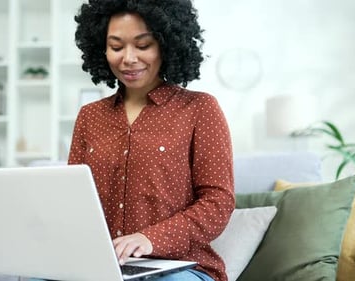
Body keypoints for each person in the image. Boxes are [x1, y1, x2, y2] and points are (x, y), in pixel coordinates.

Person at [68, 0, 235, 280]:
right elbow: (74, 200)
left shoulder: (200, 109)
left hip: (180, 266)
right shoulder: (89, 116)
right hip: (105, 268)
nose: (128, 58)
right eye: (117, 47)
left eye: (143, 45)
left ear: (166, 44)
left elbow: (218, 202)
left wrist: (151, 239)